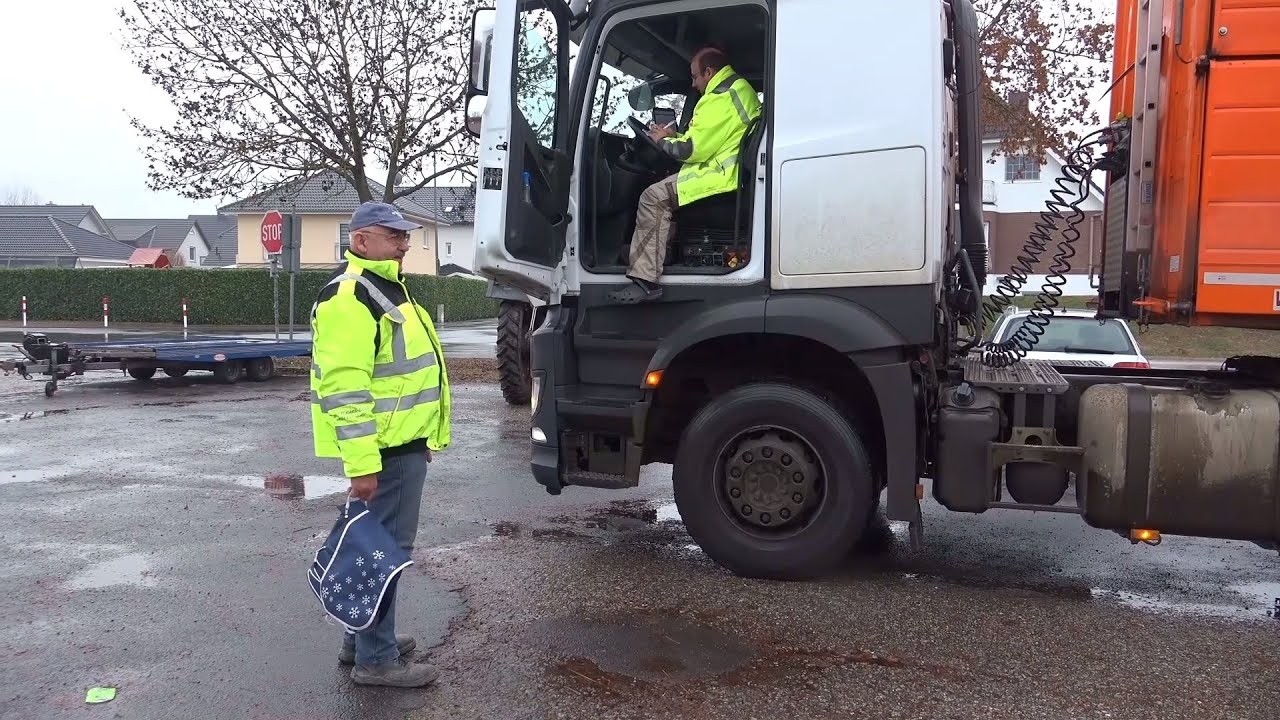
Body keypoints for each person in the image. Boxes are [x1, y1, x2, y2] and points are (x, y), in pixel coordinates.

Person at [309, 200, 452, 688]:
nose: (404, 244)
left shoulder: (386, 290)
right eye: (394, 236)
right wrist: (364, 465)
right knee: (383, 555)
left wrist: (421, 438)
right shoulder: (352, 298)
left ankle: (361, 642)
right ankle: (377, 659)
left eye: (405, 236)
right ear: (361, 241)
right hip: (384, 456)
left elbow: (403, 379)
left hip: (400, 448)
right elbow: (346, 391)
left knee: (371, 550)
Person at [608, 46, 762, 304]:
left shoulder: (720, 98)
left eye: (695, 77)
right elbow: (706, 140)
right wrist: (672, 136)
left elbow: (690, 150)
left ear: (709, 72)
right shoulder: (739, 91)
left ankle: (645, 279)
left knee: (652, 197)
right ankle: (662, 253)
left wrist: (661, 142)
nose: (693, 84)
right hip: (729, 174)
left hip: (717, 177)